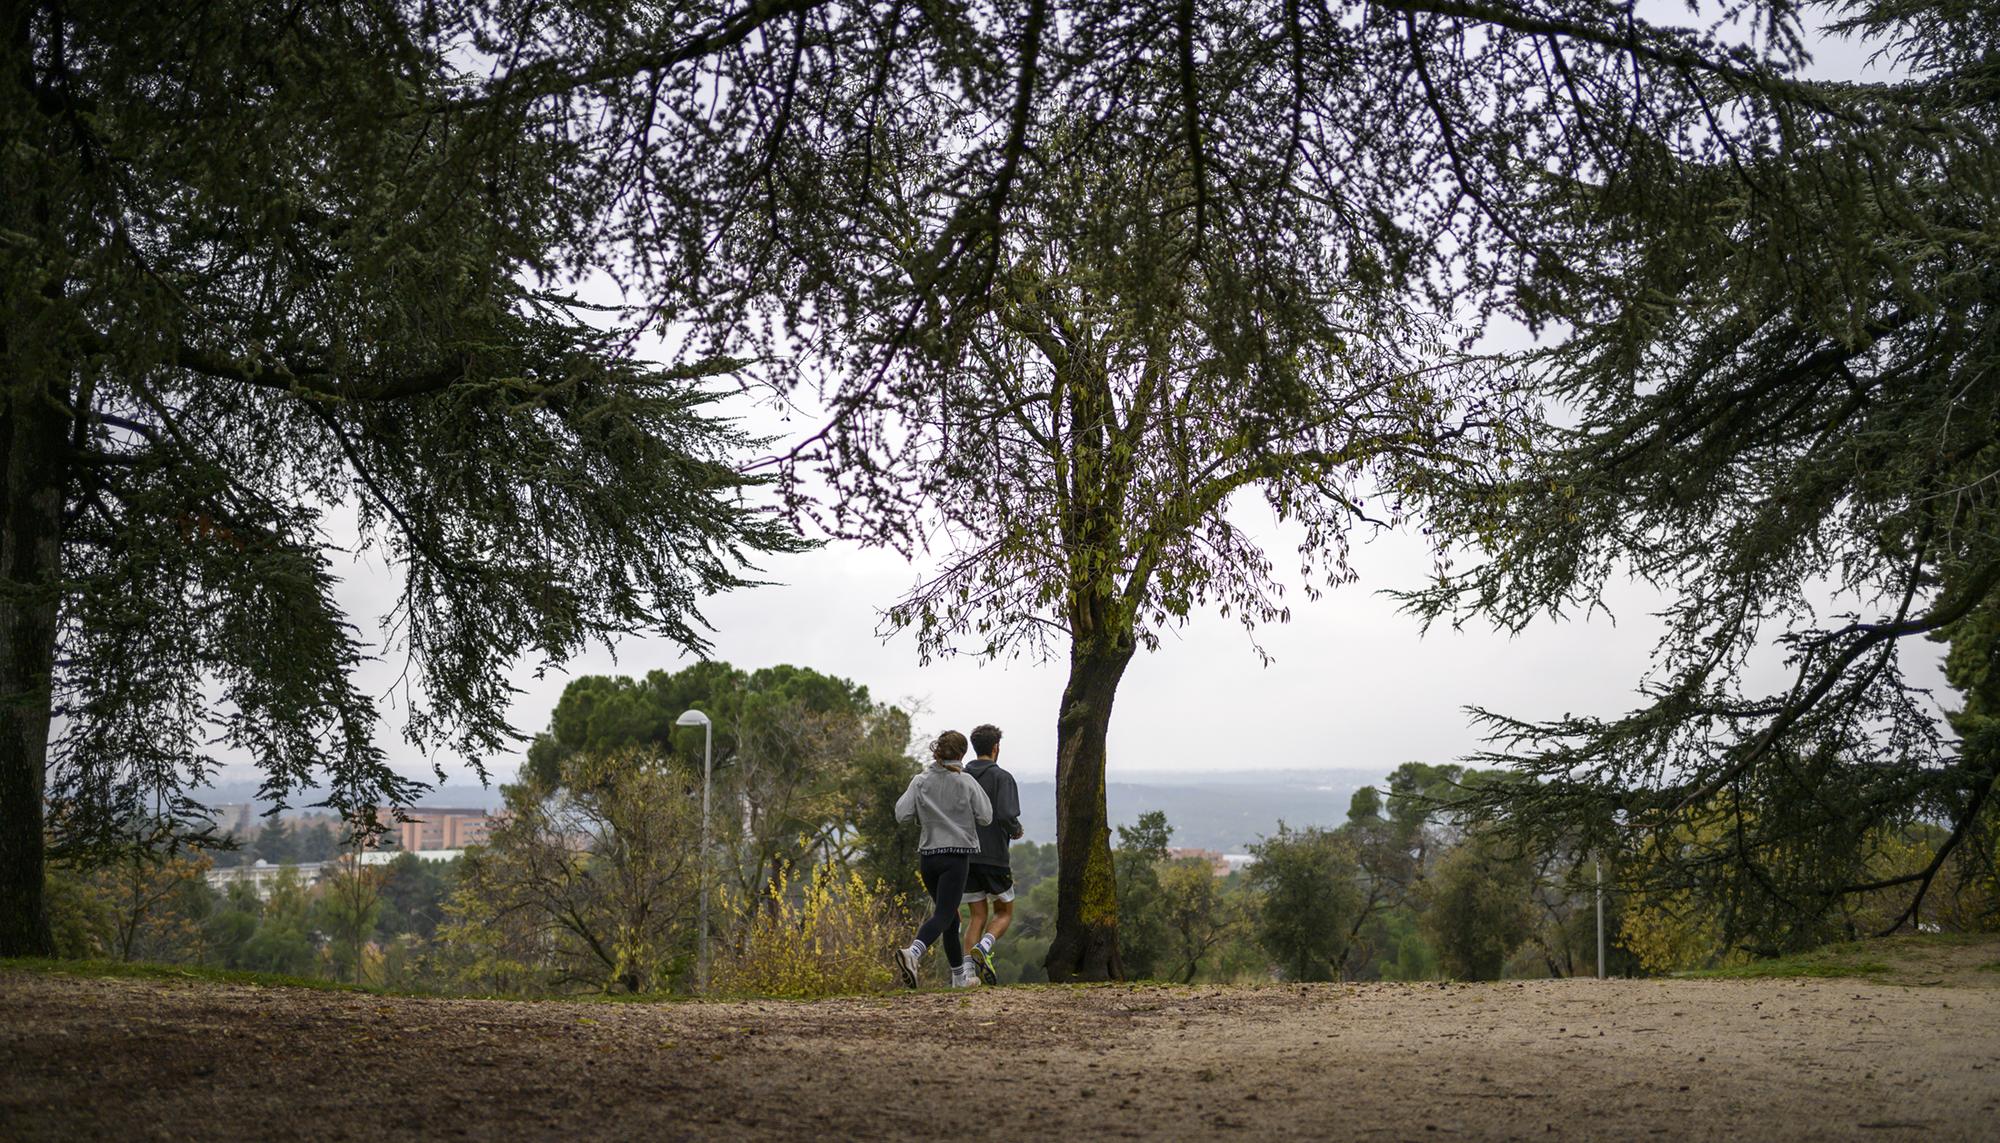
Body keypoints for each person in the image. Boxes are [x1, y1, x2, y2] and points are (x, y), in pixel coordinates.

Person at [893, 730, 993, 989]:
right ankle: (912, 953)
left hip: (928, 857)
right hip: (955, 857)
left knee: (951, 918)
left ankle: (959, 978)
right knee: (945, 914)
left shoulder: (920, 780)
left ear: (938, 751)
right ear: (962, 754)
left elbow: (901, 814)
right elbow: (986, 816)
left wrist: (925, 815)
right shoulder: (966, 782)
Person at [960, 723, 1022, 985]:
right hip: (995, 855)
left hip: (965, 855)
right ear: (996, 748)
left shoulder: (961, 777)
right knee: (1004, 910)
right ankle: (984, 948)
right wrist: (1015, 829)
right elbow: (1007, 814)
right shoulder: (1003, 777)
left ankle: (967, 975)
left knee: (976, 915)